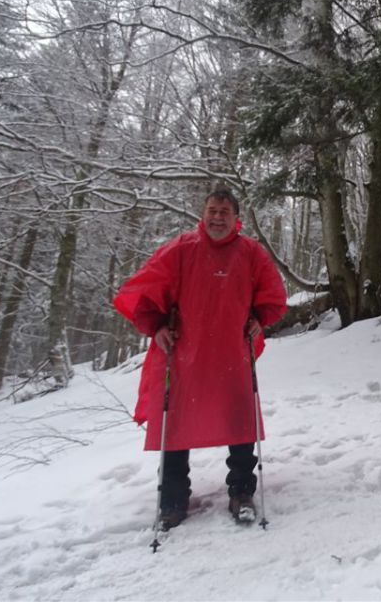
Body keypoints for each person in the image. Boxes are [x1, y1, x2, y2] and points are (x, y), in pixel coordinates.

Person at [113, 187, 287, 530]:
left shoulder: (251, 253)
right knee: (176, 424)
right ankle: (173, 502)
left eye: (224, 211)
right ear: (203, 214)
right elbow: (144, 291)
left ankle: (241, 493)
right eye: (212, 210)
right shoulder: (180, 249)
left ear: (236, 218)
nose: (217, 217)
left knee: (239, 421)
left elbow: (272, 296)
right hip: (184, 354)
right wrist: (158, 326)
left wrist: (259, 319)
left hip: (232, 352)